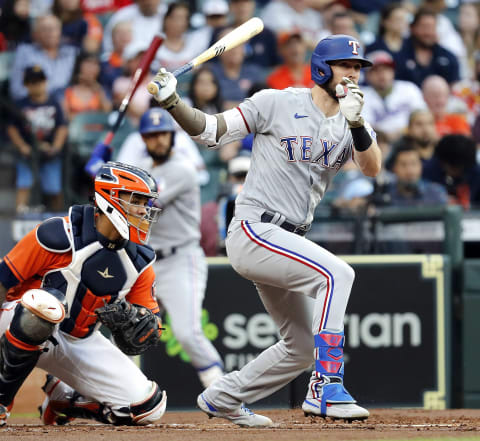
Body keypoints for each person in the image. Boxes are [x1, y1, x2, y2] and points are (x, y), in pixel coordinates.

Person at [148, 33, 381, 426]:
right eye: (346, 66)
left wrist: (357, 122)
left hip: (288, 239)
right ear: (322, 68)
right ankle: (325, 385)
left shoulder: (351, 118)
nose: (353, 74)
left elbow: (372, 167)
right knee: (337, 274)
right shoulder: (276, 101)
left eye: (358, 67)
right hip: (255, 229)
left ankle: (223, 397)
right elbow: (211, 131)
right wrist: (173, 102)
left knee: (302, 346)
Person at [0, 161, 167, 426]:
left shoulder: (140, 263)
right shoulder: (56, 234)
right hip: (16, 323)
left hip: (79, 340)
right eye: (137, 200)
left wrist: (139, 324)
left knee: (147, 406)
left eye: (146, 203)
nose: (143, 210)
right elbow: (3, 281)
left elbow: (151, 326)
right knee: (45, 304)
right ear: (110, 197)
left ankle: (64, 399)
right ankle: (1, 401)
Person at [122, 107, 225, 387]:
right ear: (143, 139)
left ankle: (222, 391)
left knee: (188, 333)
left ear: (172, 136)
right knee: (129, 331)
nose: (158, 140)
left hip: (181, 259)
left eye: (163, 134)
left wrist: (107, 179)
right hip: (147, 263)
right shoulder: (143, 171)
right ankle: (124, 393)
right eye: (152, 135)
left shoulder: (182, 168)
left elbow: (148, 205)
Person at [6, 65, 68, 213]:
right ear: (26, 85)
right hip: (27, 153)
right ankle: (20, 217)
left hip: (49, 153)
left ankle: (59, 218)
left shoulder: (54, 103)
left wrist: (56, 147)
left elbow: (62, 127)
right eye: (33, 82)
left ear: (45, 82)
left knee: (54, 189)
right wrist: (22, 146)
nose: (37, 85)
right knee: (24, 184)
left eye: (40, 81)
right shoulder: (21, 104)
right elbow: (12, 128)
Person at [9, 14, 78, 101]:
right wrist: (40, 96)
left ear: (60, 32)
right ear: (35, 34)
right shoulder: (25, 53)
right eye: (45, 29)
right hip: (37, 105)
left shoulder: (71, 53)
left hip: (68, 104)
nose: (50, 32)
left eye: (54, 28)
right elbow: (16, 91)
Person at [362, 50, 426, 142]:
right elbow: (363, 129)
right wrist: (384, 136)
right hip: (378, 142)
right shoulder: (360, 96)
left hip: (410, 139)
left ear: (393, 72)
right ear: (367, 75)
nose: (382, 74)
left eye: (386, 69)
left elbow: (423, 116)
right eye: (376, 70)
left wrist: (404, 131)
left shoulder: (409, 88)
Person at [394, 7, 460, 88]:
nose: (428, 32)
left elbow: (454, 88)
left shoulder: (449, 57)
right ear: (412, 28)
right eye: (424, 27)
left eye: (432, 27)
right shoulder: (398, 55)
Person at [423, 134, 480, 209]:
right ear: (444, 163)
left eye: (461, 168)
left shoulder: (474, 171)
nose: (458, 172)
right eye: (455, 168)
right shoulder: (429, 171)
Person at [380, 144, 448, 207]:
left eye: (414, 164)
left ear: (421, 166)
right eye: (403, 165)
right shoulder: (384, 194)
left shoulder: (436, 193)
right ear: (394, 168)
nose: (410, 171)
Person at [229, 0, 281, 69]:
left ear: (253, 5)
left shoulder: (267, 35)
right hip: (228, 79)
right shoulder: (221, 34)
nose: (242, 7)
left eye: (246, 2)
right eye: (237, 3)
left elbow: (278, 65)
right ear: (231, 7)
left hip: (262, 78)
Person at [64, 52, 112, 120]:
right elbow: (65, 117)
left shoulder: (102, 91)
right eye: (88, 63)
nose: (91, 68)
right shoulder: (67, 90)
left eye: (95, 64)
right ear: (79, 65)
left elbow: (108, 114)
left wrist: (99, 91)